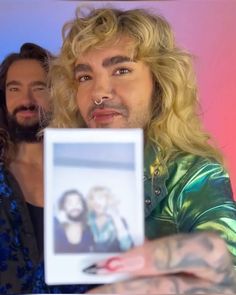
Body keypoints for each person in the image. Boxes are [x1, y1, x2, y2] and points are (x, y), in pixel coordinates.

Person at [47, 7, 236, 293]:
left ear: (159, 84)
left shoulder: (193, 175)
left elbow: (223, 256)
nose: (98, 93)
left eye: (121, 70)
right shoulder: (66, 175)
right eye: (84, 77)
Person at [0, 44, 94, 294]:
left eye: (39, 88)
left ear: (57, 93)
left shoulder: (87, 173)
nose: (26, 101)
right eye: (14, 89)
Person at [87, 186, 133, 252]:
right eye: (92, 199)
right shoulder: (85, 222)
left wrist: (116, 218)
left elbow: (127, 247)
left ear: (108, 200)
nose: (96, 202)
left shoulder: (119, 221)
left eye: (100, 198)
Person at [54, 189, 94, 253]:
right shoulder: (54, 226)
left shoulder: (91, 229)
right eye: (70, 203)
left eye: (78, 202)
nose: (74, 206)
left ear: (83, 206)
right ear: (63, 207)